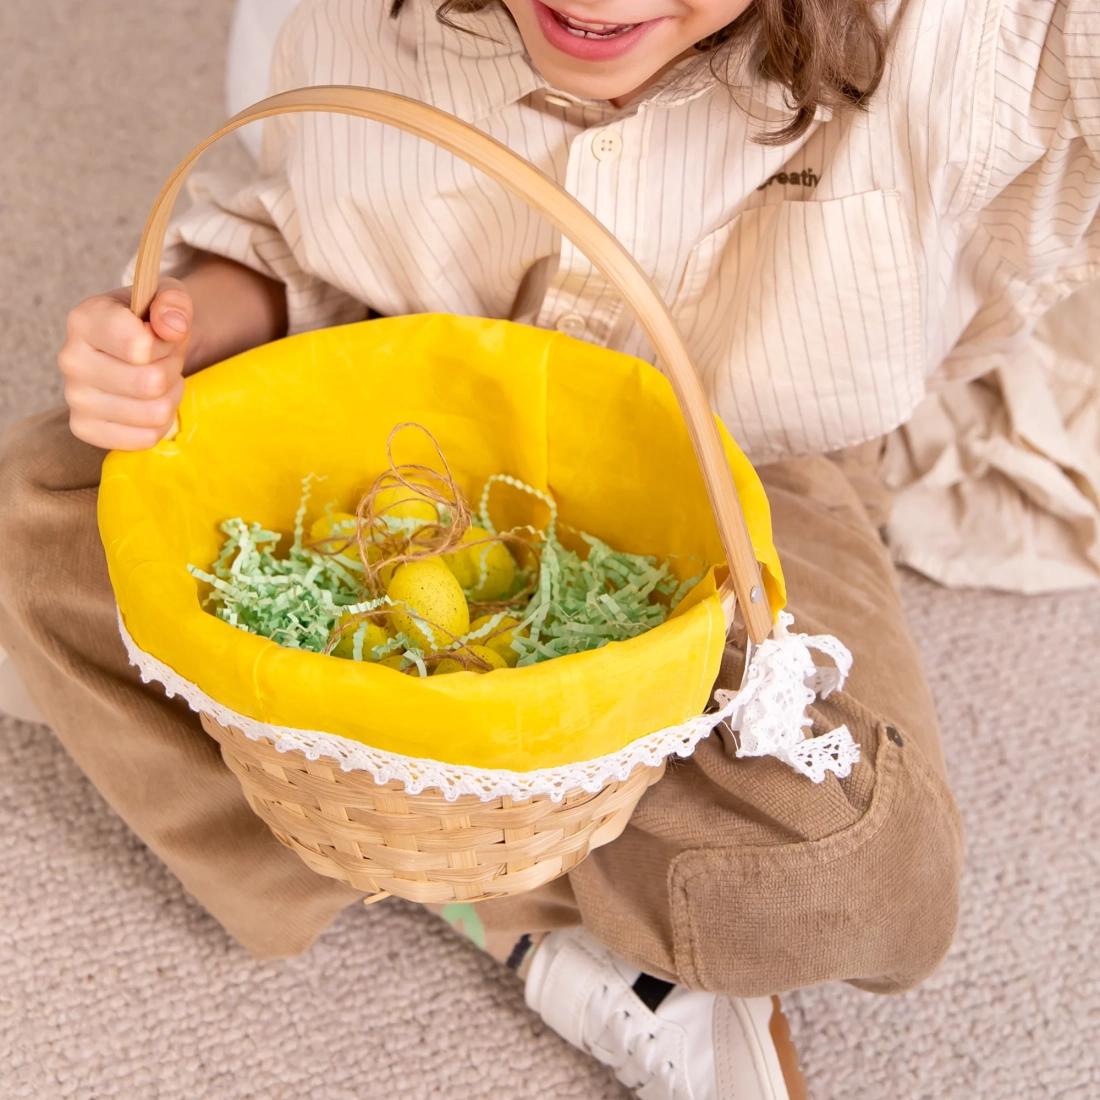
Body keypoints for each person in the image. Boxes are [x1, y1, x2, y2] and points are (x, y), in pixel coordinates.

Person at [3, 0, 1097, 1094]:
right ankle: (495, 900)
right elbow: (300, 246)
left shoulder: (963, 36)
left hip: (735, 469)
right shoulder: (382, 23)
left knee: (865, 860)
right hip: (404, 414)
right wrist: (174, 328)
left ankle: (457, 837)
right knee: (44, 509)